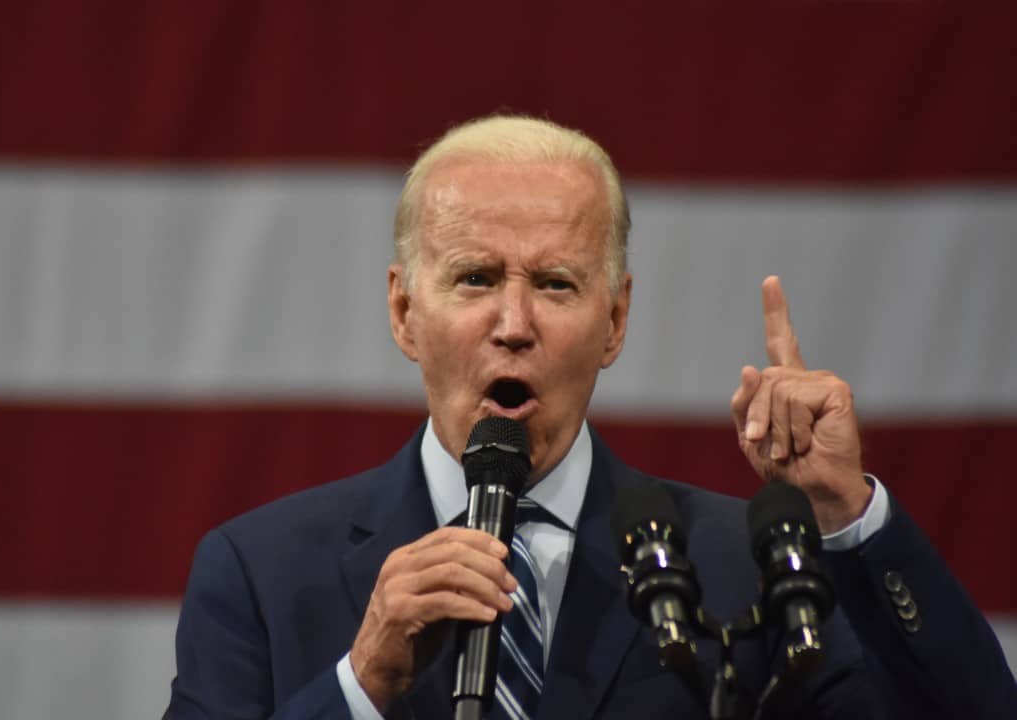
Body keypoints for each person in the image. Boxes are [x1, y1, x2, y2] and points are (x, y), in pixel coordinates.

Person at [164, 115, 1016, 719]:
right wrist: (359, 685)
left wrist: (845, 521)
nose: (512, 323)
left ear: (613, 321)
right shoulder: (259, 573)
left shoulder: (744, 565)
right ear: (402, 313)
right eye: (473, 278)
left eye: (555, 283)